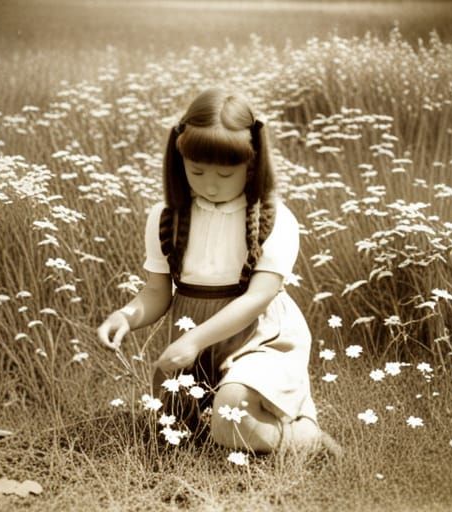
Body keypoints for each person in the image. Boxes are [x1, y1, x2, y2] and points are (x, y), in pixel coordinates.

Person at [98, 87, 342, 459]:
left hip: (257, 335)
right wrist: (126, 316)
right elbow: (156, 291)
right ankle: (244, 430)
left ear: (252, 164)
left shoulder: (274, 218)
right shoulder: (166, 217)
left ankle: (304, 439)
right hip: (191, 338)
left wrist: (195, 340)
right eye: (196, 170)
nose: (210, 184)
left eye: (226, 174)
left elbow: (259, 297)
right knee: (177, 433)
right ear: (180, 160)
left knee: (230, 414)